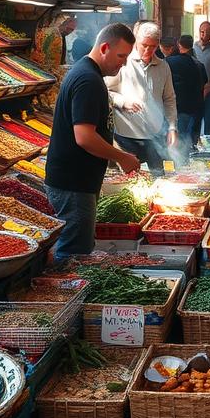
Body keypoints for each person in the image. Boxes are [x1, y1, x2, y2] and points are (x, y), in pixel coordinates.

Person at [44, 23, 142, 259]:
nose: (124, 63)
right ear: (105, 48)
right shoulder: (88, 80)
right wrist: (122, 157)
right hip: (73, 184)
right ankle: (66, 293)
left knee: (76, 248)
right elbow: (84, 136)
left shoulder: (89, 75)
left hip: (77, 182)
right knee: (73, 254)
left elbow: (97, 130)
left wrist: (116, 153)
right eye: (121, 56)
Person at [107, 22, 177, 175]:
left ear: (158, 45)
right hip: (126, 137)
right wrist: (123, 102)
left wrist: (172, 127)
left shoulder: (163, 67)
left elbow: (170, 99)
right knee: (130, 181)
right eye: (144, 45)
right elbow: (106, 91)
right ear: (136, 42)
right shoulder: (123, 62)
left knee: (158, 178)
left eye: (152, 46)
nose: (147, 50)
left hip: (155, 136)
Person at [166, 34, 208, 158]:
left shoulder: (168, 62)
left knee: (179, 136)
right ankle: (186, 160)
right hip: (195, 106)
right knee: (188, 136)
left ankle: (179, 162)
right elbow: (204, 82)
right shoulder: (197, 63)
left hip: (179, 105)